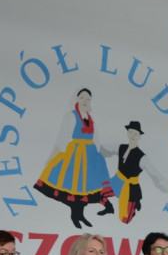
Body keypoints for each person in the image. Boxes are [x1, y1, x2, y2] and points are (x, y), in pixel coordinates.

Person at [33, 88, 115, 229]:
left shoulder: (91, 118)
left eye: (88, 98)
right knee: (75, 186)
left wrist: (100, 156)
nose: (85, 101)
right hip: (76, 155)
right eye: (82, 97)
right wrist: (52, 157)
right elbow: (62, 139)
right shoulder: (70, 116)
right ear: (77, 99)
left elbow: (97, 140)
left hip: (89, 156)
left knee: (86, 188)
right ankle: (76, 214)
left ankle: (79, 214)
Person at [100, 121, 168, 224]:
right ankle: (109, 207)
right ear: (128, 133)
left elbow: (154, 173)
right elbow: (104, 149)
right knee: (98, 193)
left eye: (135, 134)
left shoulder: (142, 157)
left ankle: (134, 204)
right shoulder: (120, 147)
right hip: (117, 181)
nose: (133, 135)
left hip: (131, 188)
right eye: (131, 132)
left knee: (126, 220)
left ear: (139, 137)